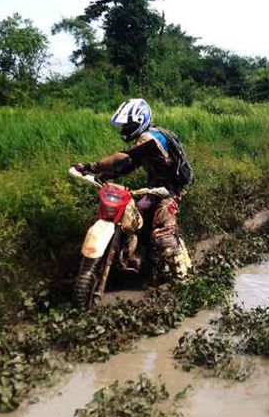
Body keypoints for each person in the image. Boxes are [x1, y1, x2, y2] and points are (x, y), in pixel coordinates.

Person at [72, 98, 190, 280]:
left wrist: (91, 167)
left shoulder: (151, 138)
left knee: (162, 236)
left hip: (169, 191)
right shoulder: (144, 141)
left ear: (141, 120)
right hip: (152, 190)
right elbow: (129, 165)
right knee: (134, 220)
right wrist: (105, 177)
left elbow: (124, 158)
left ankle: (182, 278)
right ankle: (137, 260)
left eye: (129, 123)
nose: (126, 128)